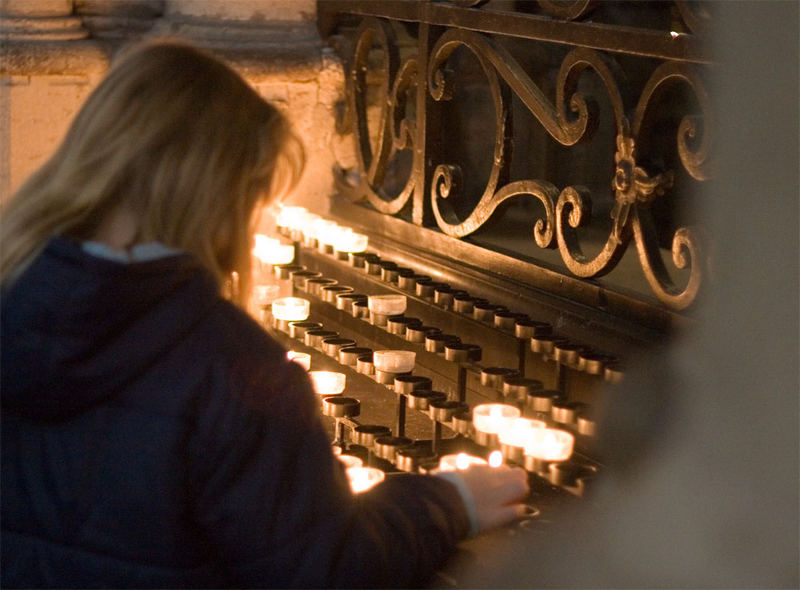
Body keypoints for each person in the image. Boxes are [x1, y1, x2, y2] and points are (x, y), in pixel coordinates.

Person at [0, 40, 529, 588]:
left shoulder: (11, 296)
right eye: (257, 201)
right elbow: (317, 571)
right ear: (222, 196)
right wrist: (449, 503)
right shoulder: (235, 370)